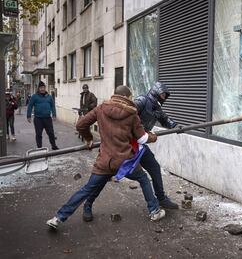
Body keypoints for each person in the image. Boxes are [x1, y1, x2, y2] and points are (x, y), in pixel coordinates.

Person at [46, 86, 164, 229]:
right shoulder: (132, 114)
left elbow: (80, 124)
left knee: (87, 189)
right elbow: (142, 139)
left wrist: (89, 139)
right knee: (143, 179)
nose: (132, 99)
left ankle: (58, 217)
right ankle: (154, 210)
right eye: (131, 97)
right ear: (126, 97)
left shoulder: (101, 108)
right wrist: (153, 137)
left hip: (105, 161)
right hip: (124, 161)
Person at [133, 82, 179, 209]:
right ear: (156, 92)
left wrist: (175, 126)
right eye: (163, 94)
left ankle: (161, 198)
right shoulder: (142, 100)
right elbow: (127, 116)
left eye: (165, 95)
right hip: (126, 143)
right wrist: (138, 131)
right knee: (103, 175)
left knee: (154, 167)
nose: (164, 97)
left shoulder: (157, 108)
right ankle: (88, 203)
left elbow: (165, 119)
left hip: (140, 143)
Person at [26, 81, 59, 150]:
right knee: (38, 134)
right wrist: (28, 116)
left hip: (47, 119)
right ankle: (39, 148)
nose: (42, 89)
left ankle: (54, 146)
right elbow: (30, 106)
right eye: (41, 88)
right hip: (38, 119)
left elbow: (53, 106)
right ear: (38, 88)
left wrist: (54, 115)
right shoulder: (35, 96)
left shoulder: (49, 97)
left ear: (45, 88)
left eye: (43, 87)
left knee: (51, 133)